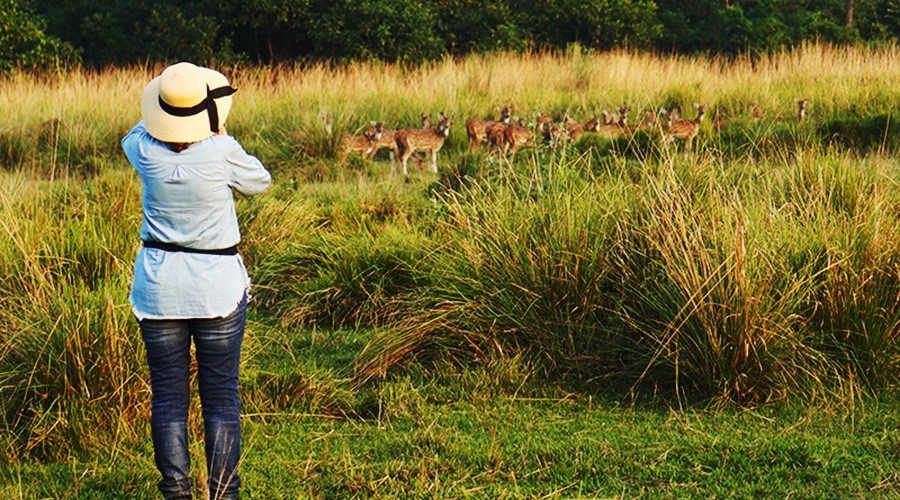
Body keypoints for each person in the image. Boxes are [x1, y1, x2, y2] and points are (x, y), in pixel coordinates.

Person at [122, 62, 271, 499]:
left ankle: (176, 492)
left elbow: (134, 133)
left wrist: (163, 111)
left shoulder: (144, 150)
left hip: (158, 288)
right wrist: (217, 130)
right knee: (221, 398)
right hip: (216, 288)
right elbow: (259, 181)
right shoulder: (222, 152)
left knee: (168, 399)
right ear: (206, 114)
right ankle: (224, 493)